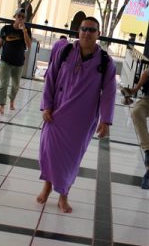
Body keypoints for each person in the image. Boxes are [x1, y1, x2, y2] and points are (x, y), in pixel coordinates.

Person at [36, 17, 116, 213]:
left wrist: (106, 120)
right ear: (78, 31)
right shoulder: (65, 52)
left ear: (98, 35)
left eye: (91, 30)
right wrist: (46, 106)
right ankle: (47, 186)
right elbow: (51, 78)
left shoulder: (105, 62)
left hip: (82, 120)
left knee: (71, 159)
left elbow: (109, 92)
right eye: (83, 29)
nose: (87, 33)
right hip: (56, 112)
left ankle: (64, 196)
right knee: (48, 151)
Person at [0, 8, 32, 114]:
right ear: (15, 16)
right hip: (5, 60)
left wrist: (24, 31)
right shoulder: (6, 29)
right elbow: (0, 43)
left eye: (23, 17)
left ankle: (12, 100)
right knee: (4, 83)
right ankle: (1, 105)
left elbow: (29, 45)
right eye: (19, 16)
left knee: (16, 85)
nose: (20, 19)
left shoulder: (27, 30)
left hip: (18, 62)